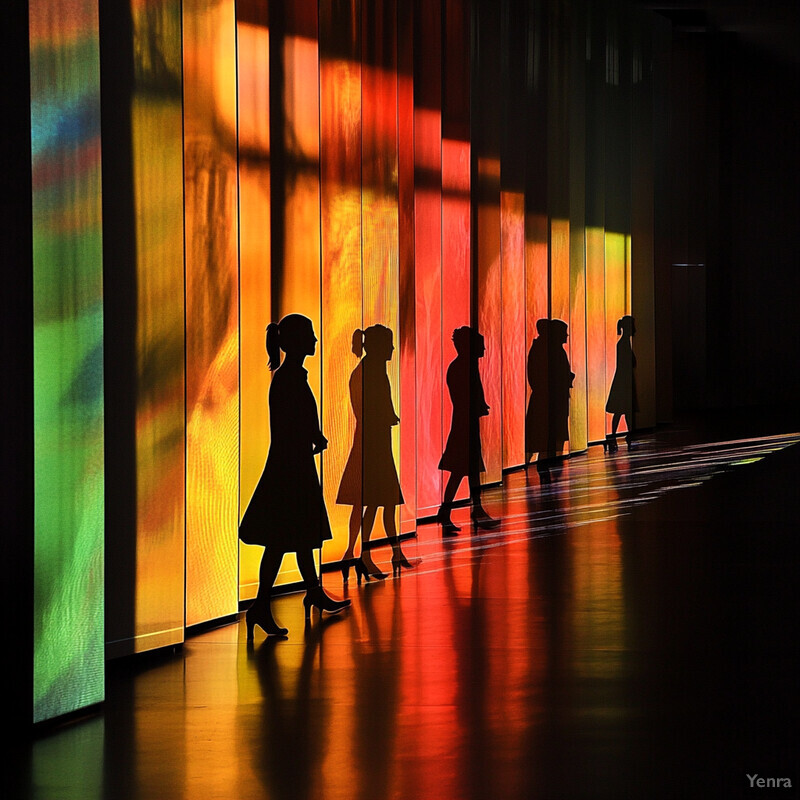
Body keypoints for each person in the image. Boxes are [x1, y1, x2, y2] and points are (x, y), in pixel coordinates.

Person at [239, 314, 350, 638]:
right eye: (311, 336)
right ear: (299, 342)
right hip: (291, 468)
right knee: (284, 539)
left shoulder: (289, 378)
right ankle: (265, 604)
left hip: (291, 464)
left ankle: (299, 595)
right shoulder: (290, 379)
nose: (316, 340)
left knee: (295, 536)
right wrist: (312, 436)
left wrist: (312, 435)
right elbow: (290, 425)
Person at [337, 325, 419, 580]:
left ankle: (359, 553)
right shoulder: (369, 372)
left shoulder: (369, 370)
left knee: (375, 501)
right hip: (373, 444)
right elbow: (369, 410)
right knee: (377, 500)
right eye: (389, 344)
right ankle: (364, 554)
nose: (393, 349)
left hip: (373, 441)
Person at [436, 327, 499, 534]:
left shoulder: (463, 366)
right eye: (480, 345)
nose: (484, 349)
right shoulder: (464, 367)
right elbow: (463, 397)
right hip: (465, 424)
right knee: (463, 469)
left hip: (464, 422)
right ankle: (465, 510)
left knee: (465, 469)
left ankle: (460, 510)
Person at [525, 319, 574, 479]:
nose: (566, 336)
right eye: (564, 332)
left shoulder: (547, 349)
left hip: (552, 400)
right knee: (545, 435)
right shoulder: (549, 351)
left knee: (544, 436)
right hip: (550, 401)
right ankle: (544, 468)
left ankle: (544, 467)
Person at [604, 315, 638, 452]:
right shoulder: (623, 343)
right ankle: (620, 436)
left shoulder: (623, 343)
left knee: (622, 410)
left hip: (623, 379)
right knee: (623, 410)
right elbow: (629, 362)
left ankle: (619, 436)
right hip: (624, 380)